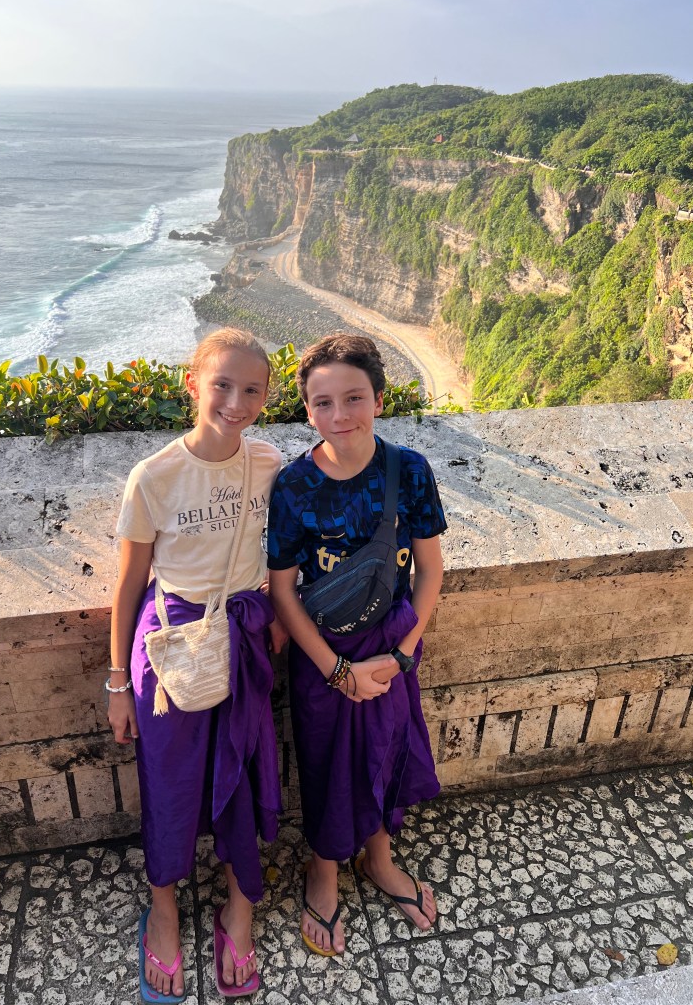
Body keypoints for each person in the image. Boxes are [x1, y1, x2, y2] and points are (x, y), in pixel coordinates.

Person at [108, 328, 285, 1001]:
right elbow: (129, 586)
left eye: (252, 391)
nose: (236, 403)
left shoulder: (268, 462)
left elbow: (284, 549)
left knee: (244, 772)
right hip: (171, 647)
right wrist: (117, 682)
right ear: (194, 384)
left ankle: (239, 906)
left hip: (244, 639)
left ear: (266, 398)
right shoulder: (154, 477)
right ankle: (163, 910)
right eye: (222, 385)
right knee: (169, 780)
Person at [267, 333, 447, 956]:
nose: (339, 414)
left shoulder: (409, 470)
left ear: (378, 399)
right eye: (323, 402)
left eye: (354, 398)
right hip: (322, 653)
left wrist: (400, 656)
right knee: (323, 761)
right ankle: (323, 869)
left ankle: (379, 858)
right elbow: (282, 590)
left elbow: (430, 570)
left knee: (386, 751)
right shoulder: (293, 485)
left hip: (392, 644)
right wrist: (338, 670)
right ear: (307, 409)